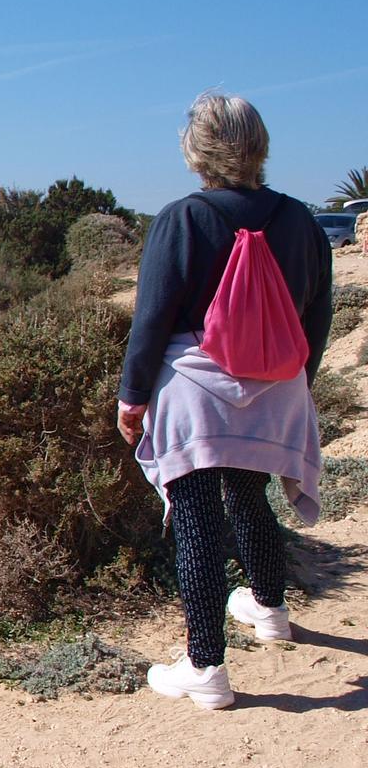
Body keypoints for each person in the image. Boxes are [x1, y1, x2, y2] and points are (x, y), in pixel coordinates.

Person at [117, 93, 332, 709]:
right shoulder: (302, 220)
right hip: (277, 386)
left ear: (196, 149)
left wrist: (132, 398)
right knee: (247, 492)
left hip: (196, 388)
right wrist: (298, 383)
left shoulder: (183, 218)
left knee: (195, 516)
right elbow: (317, 312)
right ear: (259, 145)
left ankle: (205, 666)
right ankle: (269, 609)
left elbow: (152, 319)